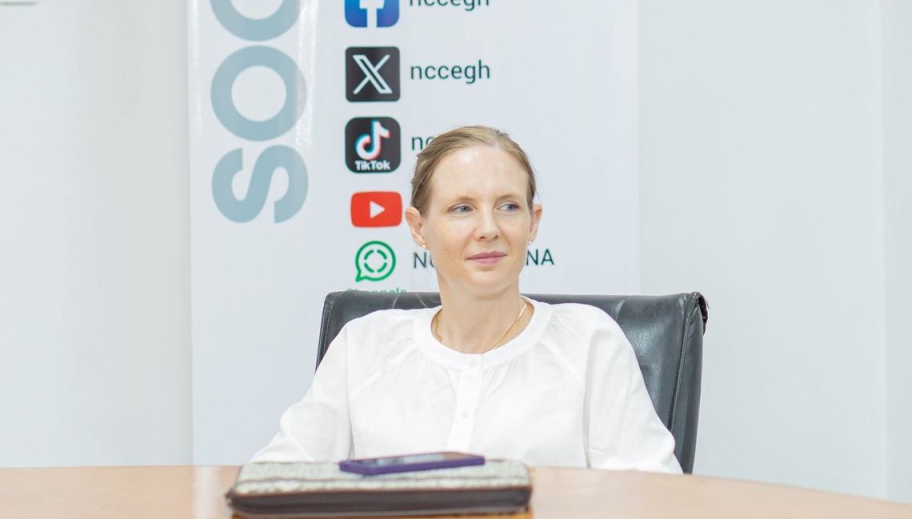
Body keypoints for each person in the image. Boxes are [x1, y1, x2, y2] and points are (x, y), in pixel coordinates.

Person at [252, 125, 680, 472]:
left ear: (533, 223)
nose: (489, 229)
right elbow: (274, 482)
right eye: (462, 209)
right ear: (419, 228)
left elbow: (651, 497)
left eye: (508, 207)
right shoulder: (363, 345)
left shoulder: (589, 343)